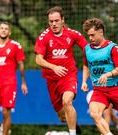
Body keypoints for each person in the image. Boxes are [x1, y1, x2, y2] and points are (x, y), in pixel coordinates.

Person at [34, 6, 88, 135]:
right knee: (62, 116)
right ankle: (75, 127)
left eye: (56, 20)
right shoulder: (44, 37)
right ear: (48, 22)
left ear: (62, 20)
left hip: (68, 75)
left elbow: (88, 49)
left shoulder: (72, 34)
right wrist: (54, 67)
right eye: (51, 21)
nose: (54, 24)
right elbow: (38, 60)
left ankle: (72, 133)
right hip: (51, 79)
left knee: (67, 101)